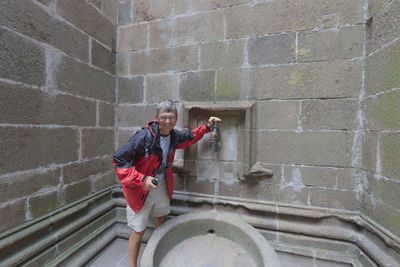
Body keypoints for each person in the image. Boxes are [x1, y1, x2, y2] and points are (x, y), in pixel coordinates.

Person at [113, 100, 221, 267]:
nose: (168, 121)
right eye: (164, 117)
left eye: (171, 118)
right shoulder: (143, 137)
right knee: (138, 231)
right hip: (139, 191)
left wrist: (207, 127)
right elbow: (119, 160)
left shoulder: (174, 135)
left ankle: (156, 254)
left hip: (161, 185)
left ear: (176, 118)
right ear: (156, 117)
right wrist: (141, 180)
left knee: (161, 221)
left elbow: (190, 137)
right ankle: (132, 265)